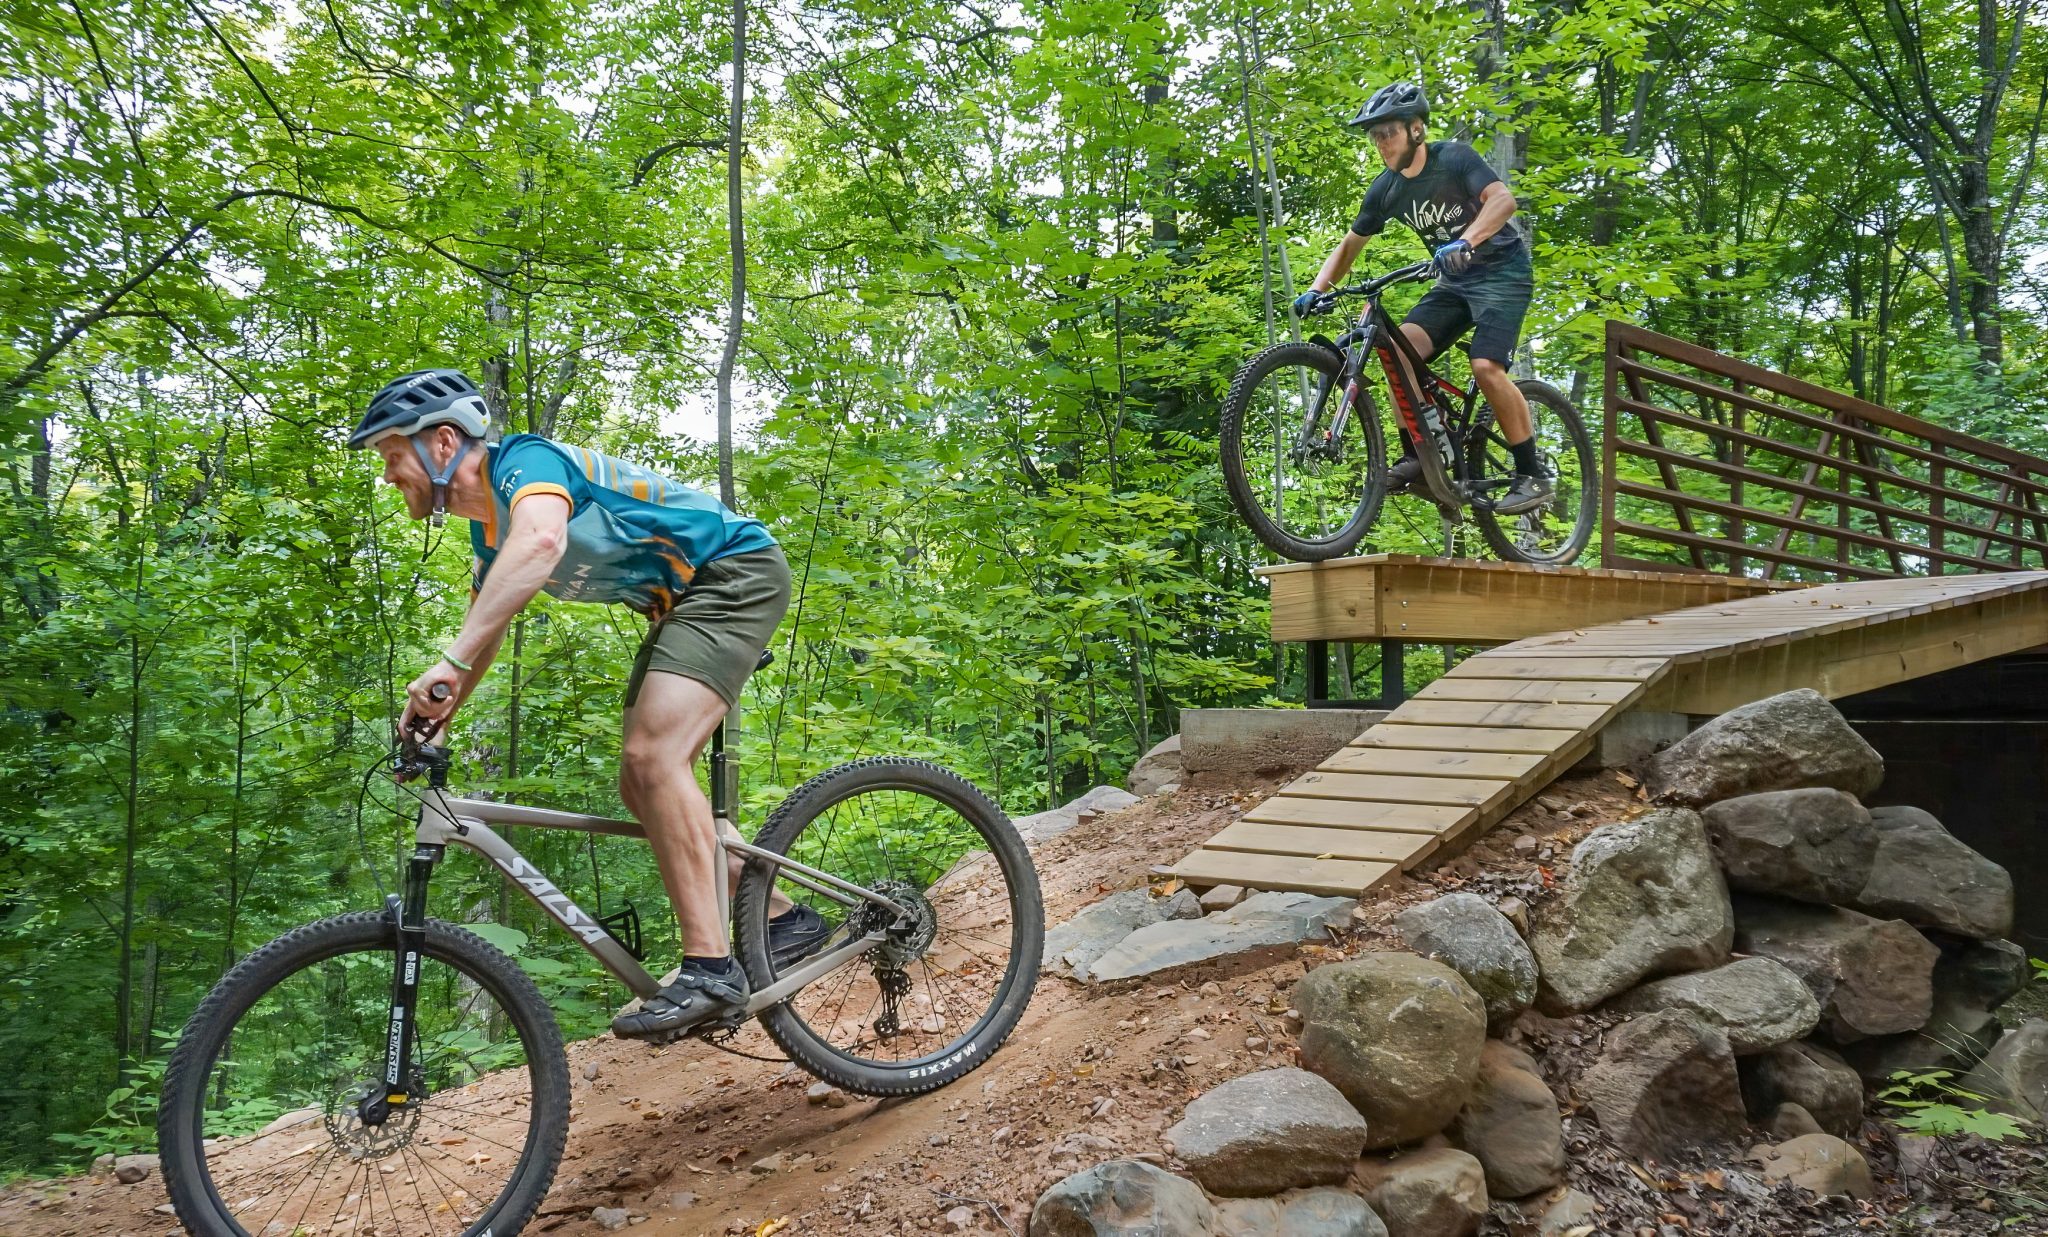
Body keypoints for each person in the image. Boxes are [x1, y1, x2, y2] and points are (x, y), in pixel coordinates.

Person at [350, 368, 827, 1040]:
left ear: (443, 441)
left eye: (392, 456)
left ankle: (712, 967)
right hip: (684, 602)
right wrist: (440, 708)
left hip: (732, 570)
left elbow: (542, 542)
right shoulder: (490, 533)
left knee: (655, 756)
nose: (389, 475)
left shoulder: (526, 464)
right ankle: (781, 919)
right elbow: (485, 627)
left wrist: (449, 665)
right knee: (643, 782)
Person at [1293, 81, 1552, 514]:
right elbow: (1348, 247)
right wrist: (1317, 289)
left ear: (1416, 130)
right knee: (1396, 351)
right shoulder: (1386, 189)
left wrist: (1466, 241)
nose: (1380, 144)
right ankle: (1421, 454)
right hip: (1455, 284)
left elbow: (1502, 200)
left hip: (1504, 275)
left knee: (1486, 367)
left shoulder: (1453, 159)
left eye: (1387, 133)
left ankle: (1533, 472)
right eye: (1374, 137)